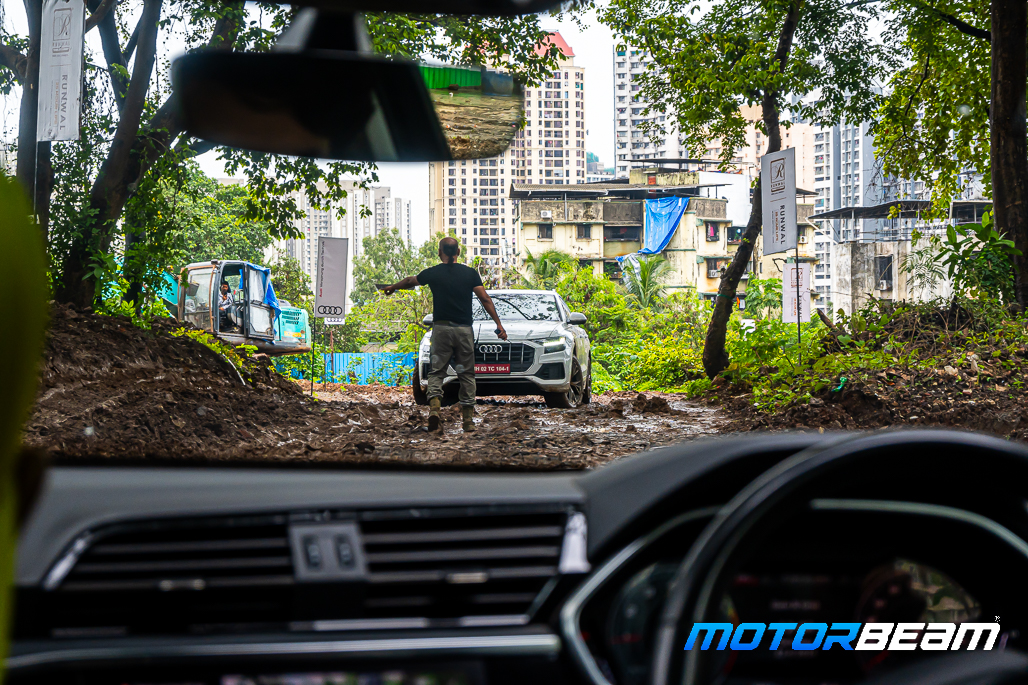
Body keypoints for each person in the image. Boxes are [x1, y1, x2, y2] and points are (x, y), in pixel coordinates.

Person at [382, 237, 506, 433]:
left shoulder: (434, 273)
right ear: (458, 252)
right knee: (466, 374)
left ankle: (434, 412)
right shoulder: (470, 274)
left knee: (436, 373)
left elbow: (409, 281)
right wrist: (498, 324)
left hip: (440, 330)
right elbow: (485, 299)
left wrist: (392, 287)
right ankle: (468, 421)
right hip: (464, 330)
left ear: (440, 253)